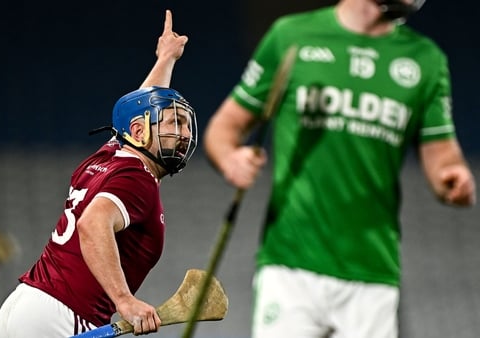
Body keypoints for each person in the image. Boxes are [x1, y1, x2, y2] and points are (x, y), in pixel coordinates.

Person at [203, 1, 477, 337]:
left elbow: (442, 157)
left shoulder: (425, 59)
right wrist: (230, 158)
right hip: (290, 265)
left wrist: (454, 177)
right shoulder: (291, 35)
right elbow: (224, 128)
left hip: (373, 271)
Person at [0, 9, 197, 338]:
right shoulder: (137, 176)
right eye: (175, 123)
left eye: (186, 125)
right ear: (140, 131)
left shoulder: (109, 156)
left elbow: (137, 110)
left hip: (25, 306)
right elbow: (92, 223)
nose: (184, 134)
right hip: (64, 314)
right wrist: (125, 301)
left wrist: (166, 58)